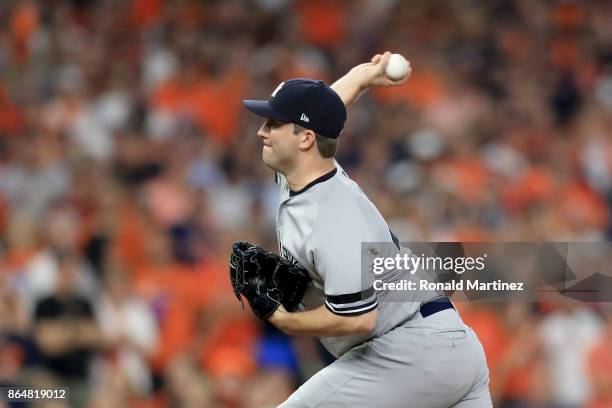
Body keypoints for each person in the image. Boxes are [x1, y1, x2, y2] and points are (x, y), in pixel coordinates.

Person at [242, 51, 492, 407]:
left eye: (273, 124)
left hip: (407, 351)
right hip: (450, 349)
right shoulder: (304, 172)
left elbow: (358, 320)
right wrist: (362, 77)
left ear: (305, 140)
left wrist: (283, 319)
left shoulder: (333, 216)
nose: (261, 131)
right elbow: (324, 110)